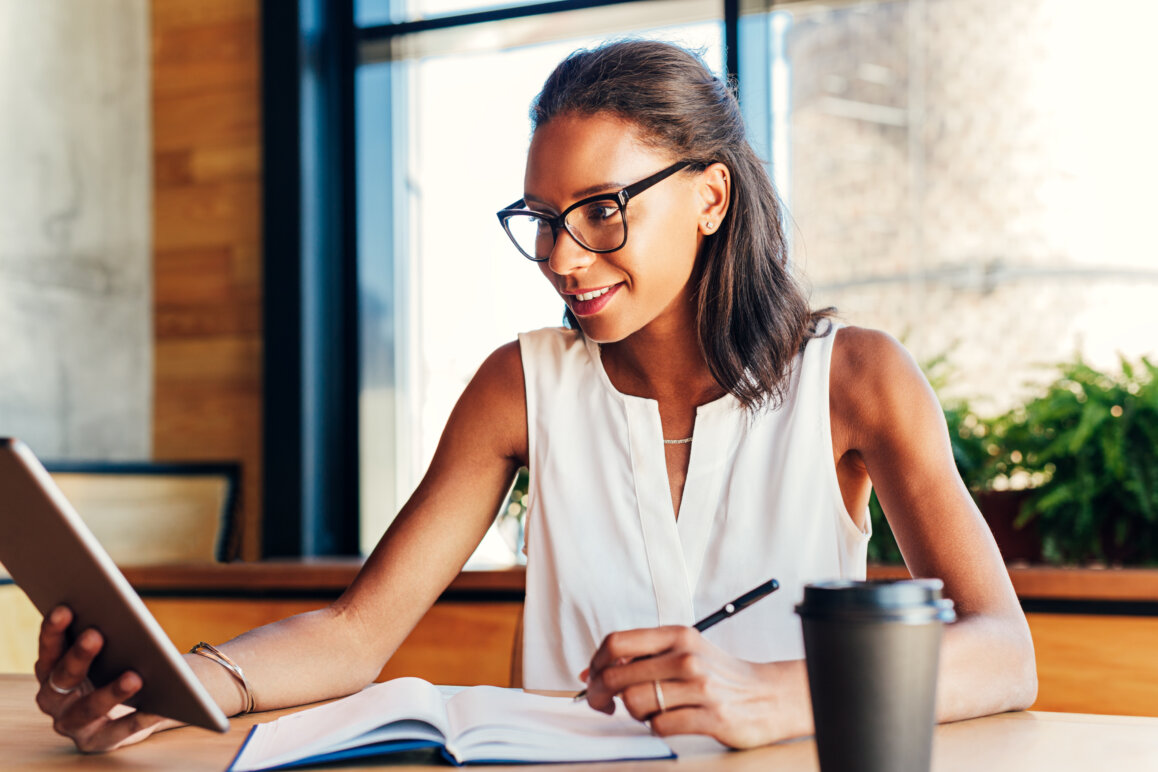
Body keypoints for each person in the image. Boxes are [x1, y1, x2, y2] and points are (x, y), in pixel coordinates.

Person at [33, 39, 1036, 753]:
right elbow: (355, 632)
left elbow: (1004, 653)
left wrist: (770, 696)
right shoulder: (520, 384)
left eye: (602, 211)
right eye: (542, 218)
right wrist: (178, 683)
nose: (562, 256)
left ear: (710, 197)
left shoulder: (857, 378)